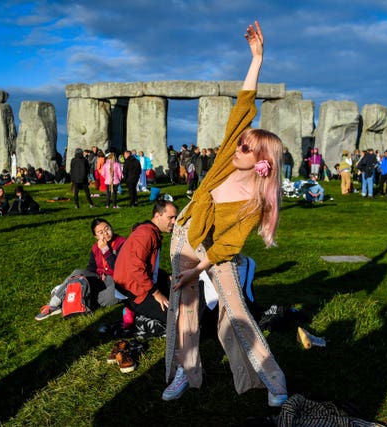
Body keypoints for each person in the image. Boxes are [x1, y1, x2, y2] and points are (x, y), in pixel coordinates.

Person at [163, 21, 288, 408]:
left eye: (247, 149)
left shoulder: (255, 201)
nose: (239, 147)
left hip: (216, 250)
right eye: (240, 143)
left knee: (235, 310)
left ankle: (271, 380)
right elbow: (243, 108)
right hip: (186, 233)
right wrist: (257, 61)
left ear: (263, 163)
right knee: (185, 307)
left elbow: (230, 243)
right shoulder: (223, 161)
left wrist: (199, 267)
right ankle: (186, 371)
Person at [35, 218, 127, 320]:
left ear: (111, 228)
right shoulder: (95, 247)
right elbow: (91, 268)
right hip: (101, 278)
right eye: (100, 232)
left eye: (107, 229)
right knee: (78, 273)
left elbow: (120, 268)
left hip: (118, 280)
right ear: (95, 236)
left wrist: (105, 250)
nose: (105, 233)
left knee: (109, 297)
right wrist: (86, 280)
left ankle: (70, 299)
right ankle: (53, 304)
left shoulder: (122, 243)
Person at [113, 199, 177, 325]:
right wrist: (156, 293)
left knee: (176, 288)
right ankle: (134, 314)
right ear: (157, 215)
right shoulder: (145, 234)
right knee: (175, 318)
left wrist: (165, 276)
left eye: (175, 218)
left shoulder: (152, 232)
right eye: (170, 217)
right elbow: (136, 269)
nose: (174, 222)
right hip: (133, 291)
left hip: (142, 284)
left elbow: (147, 266)